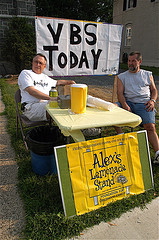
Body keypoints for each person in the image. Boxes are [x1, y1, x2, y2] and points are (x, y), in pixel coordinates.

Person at [115, 51, 159, 164]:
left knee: (150, 127)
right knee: (112, 108)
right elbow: (120, 93)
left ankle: (158, 153)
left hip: (143, 103)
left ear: (139, 61)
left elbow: (154, 90)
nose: (130, 63)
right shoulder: (122, 76)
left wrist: (153, 101)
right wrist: (124, 105)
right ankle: (121, 138)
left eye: (133, 61)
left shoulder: (147, 74)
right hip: (128, 102)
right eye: (129, 61)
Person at [18, 53, 75, 122]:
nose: (38, 65)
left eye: (40, 63)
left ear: (44, 66)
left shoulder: (45, 77)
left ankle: (69, 128)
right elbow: (32, 91)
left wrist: (70, 82)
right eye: (36, 62)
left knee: (68, 106)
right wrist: (52, 98)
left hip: (47, 105)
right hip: (31, 107)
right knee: (60, 109)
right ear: (32, 63)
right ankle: (63, 130)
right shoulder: (25, 73)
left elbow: (57, 82)